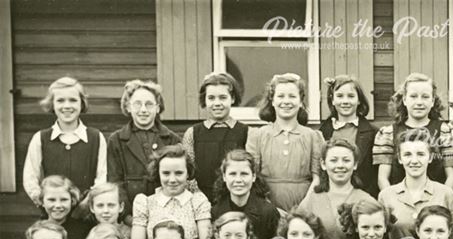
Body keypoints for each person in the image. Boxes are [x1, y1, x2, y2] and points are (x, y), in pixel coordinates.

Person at [246, 73, 325, 212]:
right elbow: (253, 177)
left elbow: (317, 178)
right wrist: (270, 209)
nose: (286, 101)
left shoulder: (313, 137)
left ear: (301, 102)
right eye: (281, 96)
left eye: (292, 96)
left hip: (306, 205)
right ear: (272, 100)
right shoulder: (257, 136)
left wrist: (303, 208)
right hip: (266, 206)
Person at [23, 77, 107, 207]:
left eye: (73, 100)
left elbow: (102, 177)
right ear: (52, 104)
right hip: (53, 215)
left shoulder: (96, 137)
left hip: (86, 216)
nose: (67, 106)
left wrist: (86, 204)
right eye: (60, 100)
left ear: (82, 103)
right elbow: (30, 178)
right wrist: (45, 202)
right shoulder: (40, 138)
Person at [374, 72, 453, 190]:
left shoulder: (445, 131)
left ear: (432, 101)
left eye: (425, 97)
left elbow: (452, 176)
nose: (419, 102)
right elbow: (382, 178)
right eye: (413, 96)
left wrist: (439, 200)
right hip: (399, 203)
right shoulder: (388, 133)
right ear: (404, 100)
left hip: (435, 204)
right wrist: (393, 201)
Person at [130, 145, 212, 239]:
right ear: (158, 173)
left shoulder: (197, 201)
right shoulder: (145, 203)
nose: (172, 179)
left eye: (179, 173)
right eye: (166, 173)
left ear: (188, 174)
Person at [107, 80, 181, 214]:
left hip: (166, 213)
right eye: (137, 104)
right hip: (130, 214)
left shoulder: (172, 139)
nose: (143, 110)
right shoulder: (116, 140)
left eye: (149, 104)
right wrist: (127, 217)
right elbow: (115, 183)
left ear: (157, 107)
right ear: (128, 107)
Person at [378, 128, 453, 239]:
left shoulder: (445, 193)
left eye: (421, 154)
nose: (414, 161)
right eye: (407, 154)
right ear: (400, 158)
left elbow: (452, 238)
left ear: (430, 157)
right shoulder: (386, 195)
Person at [181, 72, 249, 200]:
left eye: (223, 97)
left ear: (232, 98)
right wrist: (199, 198)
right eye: (211, 98)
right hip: (201, 200)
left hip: (236, 199)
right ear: (204, 100)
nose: (217, 103)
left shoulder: (246, 132)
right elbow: (187, 172)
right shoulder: (193, 133)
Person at [299, 138, 378, 239]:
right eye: (333, 160)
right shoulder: (312, 199)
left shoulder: (366, 200)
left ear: (355, 164)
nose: (340, 165)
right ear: (323, 164)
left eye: (346, 160)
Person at [318, 75, 379, 198]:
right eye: (340, 96)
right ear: (333, 100)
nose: (345, 101)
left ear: (359, 100)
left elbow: (375, 172)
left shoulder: (373, 133)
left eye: (351, 96)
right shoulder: (322, 132)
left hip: (363, 196)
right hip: (330, 196)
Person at [37, 175, 88, 239]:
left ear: (72, 201)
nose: (58, 205)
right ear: (42, 202)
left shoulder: (83, 229)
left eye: (64, 200)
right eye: (51, 200)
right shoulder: (36, 231)